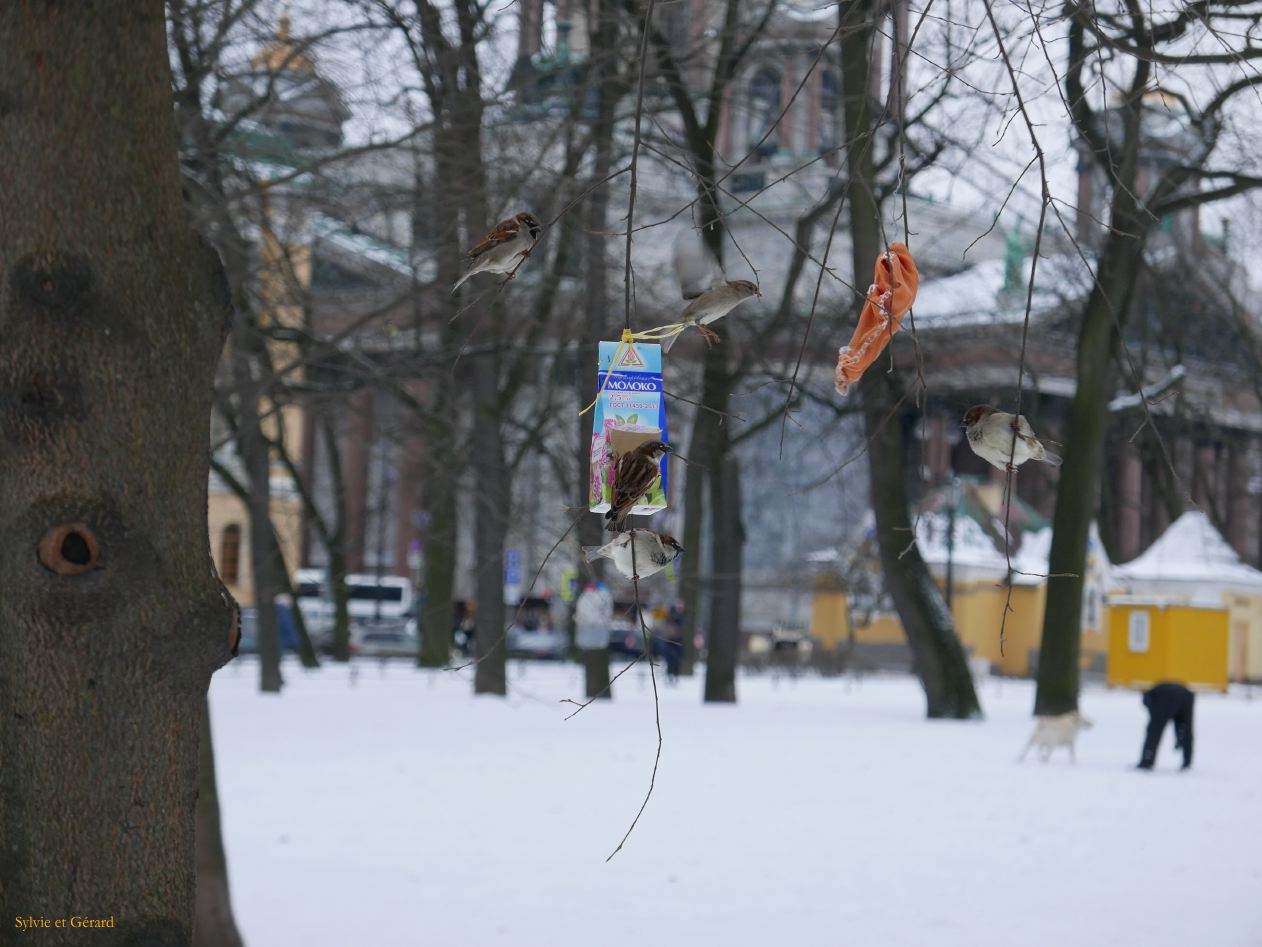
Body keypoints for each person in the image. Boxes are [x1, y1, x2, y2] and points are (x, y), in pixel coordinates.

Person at [1137, 681, 1195, 771]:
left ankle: (1146, 761)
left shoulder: (1151, 697)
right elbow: (1180, 725)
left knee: (1154, 731)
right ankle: (1187, 761)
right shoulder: (1156, 691)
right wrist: (1179, 737)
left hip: (1167, 697)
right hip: (1186, 695)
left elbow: (1154, 724)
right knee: (1186, 730)